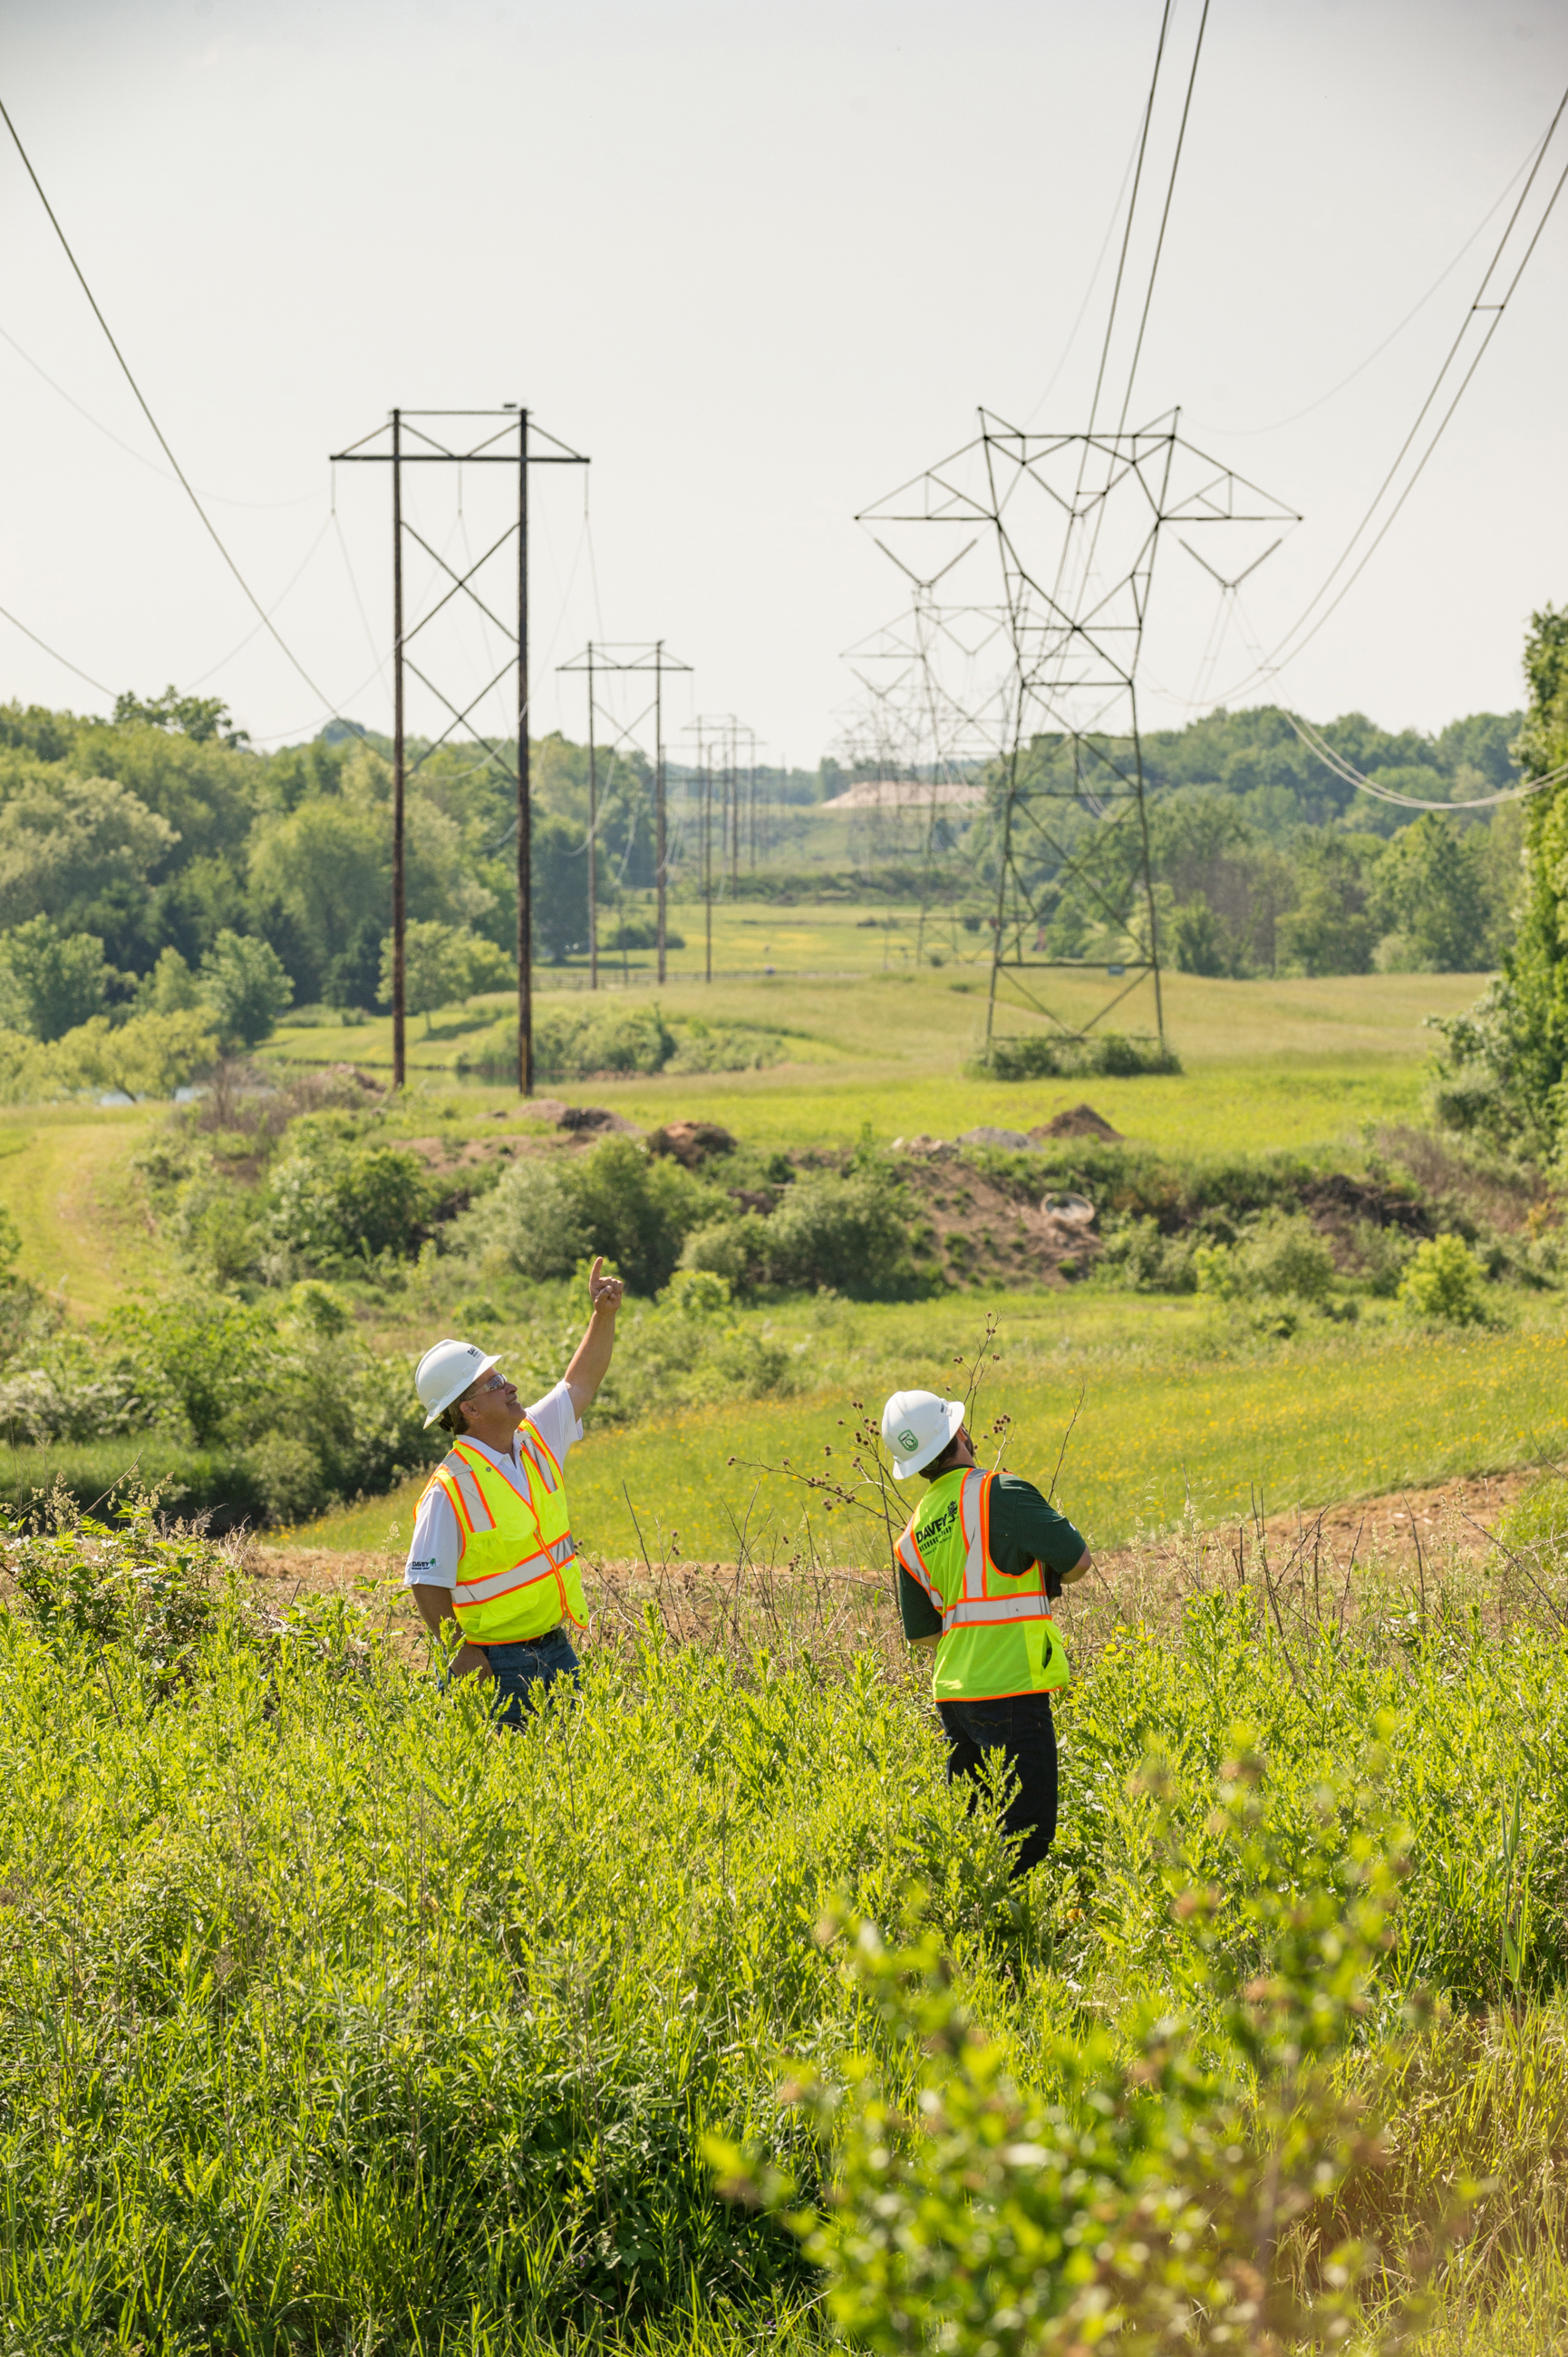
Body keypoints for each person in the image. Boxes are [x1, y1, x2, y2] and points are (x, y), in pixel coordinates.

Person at [882, 1386, 1093, 1878]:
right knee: (1028, 1835)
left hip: (955, 1699)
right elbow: (1078, 1562)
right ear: (960, 1432)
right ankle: (1009, 1941)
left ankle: (974, 1932)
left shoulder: (912, 1533)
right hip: (1012, 1690)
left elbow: (923, 1636)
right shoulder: (999, 1491)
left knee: (978, 1834)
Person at [404, 1256, 624, 1723]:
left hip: (556, 1649)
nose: (511, 1385)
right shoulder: (449, 1489)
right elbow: (425, 1583)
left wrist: (602, 1316)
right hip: (496, 1664)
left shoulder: (536, 1438)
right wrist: (461, 1655)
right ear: (471, 1410)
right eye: (495, 1382)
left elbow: (580, 1381)